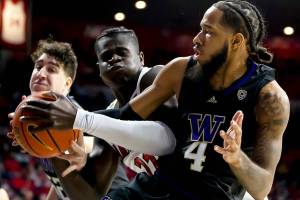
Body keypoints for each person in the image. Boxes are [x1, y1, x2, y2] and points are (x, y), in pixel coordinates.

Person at [20, 1, 290, 199]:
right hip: (168, 183)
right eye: (199, 29)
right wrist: (70, 122)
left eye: (208, 32)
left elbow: (262, 186)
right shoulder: (182, 70)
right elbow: (127, 116)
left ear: (236, 42)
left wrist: (237, 157)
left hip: (223, 193)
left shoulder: (269, 97)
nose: (195, 39)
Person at [7, 39, 129, 200]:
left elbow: (98, 143)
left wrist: (82, 147)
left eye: (51, 69)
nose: (41, 73)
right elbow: (58, 181)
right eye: (38, 66)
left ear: (67, 84)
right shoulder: (41, 117)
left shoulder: (75, 115)